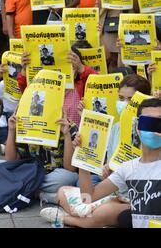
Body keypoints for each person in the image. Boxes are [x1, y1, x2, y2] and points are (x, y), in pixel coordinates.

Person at [42, 98, 161, 228]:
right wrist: (83, 156)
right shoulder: (128, 168)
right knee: (68, 194)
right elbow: (88, 196)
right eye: (148, 122)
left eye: (159, 123)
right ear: (137, 126)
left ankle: (68, 219)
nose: (154, 129)